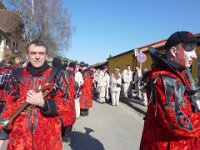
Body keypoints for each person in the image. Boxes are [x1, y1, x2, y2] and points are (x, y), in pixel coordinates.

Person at [0, 40, 69, 150]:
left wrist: (44, 103)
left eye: (41, 53)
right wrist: (2, 136)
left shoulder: (57, 75)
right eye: (33, 53)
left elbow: (67, 107)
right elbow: (8, 106)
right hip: (19, 139)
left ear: (46, 56)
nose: (37, 57)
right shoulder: (16, 75)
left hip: (48, 139)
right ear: (27, 55)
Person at [140, 31, 200, 150]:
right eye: (189, 50)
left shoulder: (179, 73)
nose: (195, 55)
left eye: (195, 50)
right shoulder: (165, 78)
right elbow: (180, 124)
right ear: (173, 51)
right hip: (169, 145)